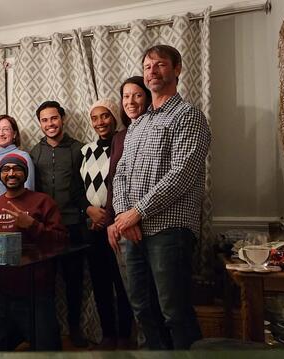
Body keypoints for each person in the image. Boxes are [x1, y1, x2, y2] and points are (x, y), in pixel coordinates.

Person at [110, 45, 210, 350]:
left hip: (170, 231)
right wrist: (123, 216)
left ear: (177, 69)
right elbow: (120, 175)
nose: (152, 71)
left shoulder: (189, 115)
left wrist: (136, 212)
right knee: (142, 310)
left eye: (160, 64)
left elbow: (182, 173)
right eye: (147, 66)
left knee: (174, 313)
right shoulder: (137, 124)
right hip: (132, 232)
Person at [0, 153, 68, 351]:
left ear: (25, 173)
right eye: (6, 169)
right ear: (0, 175)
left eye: (17, 169)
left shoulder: (43, 201)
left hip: (37, 293)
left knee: (47, 351)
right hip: (0, 292)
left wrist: (32, 225)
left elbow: (62, 241)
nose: (11, 173)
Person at [29, 100, 90, 347]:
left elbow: (86, 188)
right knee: (45, 283)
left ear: (62, 119)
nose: (50, 124)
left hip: (74, 226)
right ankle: (48, 331)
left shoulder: (79, 149)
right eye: (44, 120)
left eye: (53, 118)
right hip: (45, 229)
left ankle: (75, 329)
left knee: (74, 282)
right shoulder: (35, 152)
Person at [80, 99, 135, 349]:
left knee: (122, 283)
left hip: (119, 225)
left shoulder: (125, 144)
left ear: (114, 117)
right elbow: (78, 188)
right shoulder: (86, 151)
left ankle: (124, 335)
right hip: (93, 228)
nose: (100, 122)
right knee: (100, 283)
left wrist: (109, 217)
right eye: (94, 118)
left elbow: (124, 183)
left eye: (105, 116)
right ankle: (107, 334)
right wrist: (90, 211)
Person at [106, 76, 151, 348]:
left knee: (158, 301)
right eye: (126, 96)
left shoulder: (154, 128)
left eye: (137, 95)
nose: (131, 102)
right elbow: (116, 180)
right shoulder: (121, 136)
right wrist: (114, 221)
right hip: (122, 226)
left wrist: (135, 215)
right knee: (137, 299)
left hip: (153, 224)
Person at [0, 115, 35, 226]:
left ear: (14, 134)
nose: (1, 133)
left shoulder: (23, 157)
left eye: (5, 129)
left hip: (12, 221)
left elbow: (28, 194)